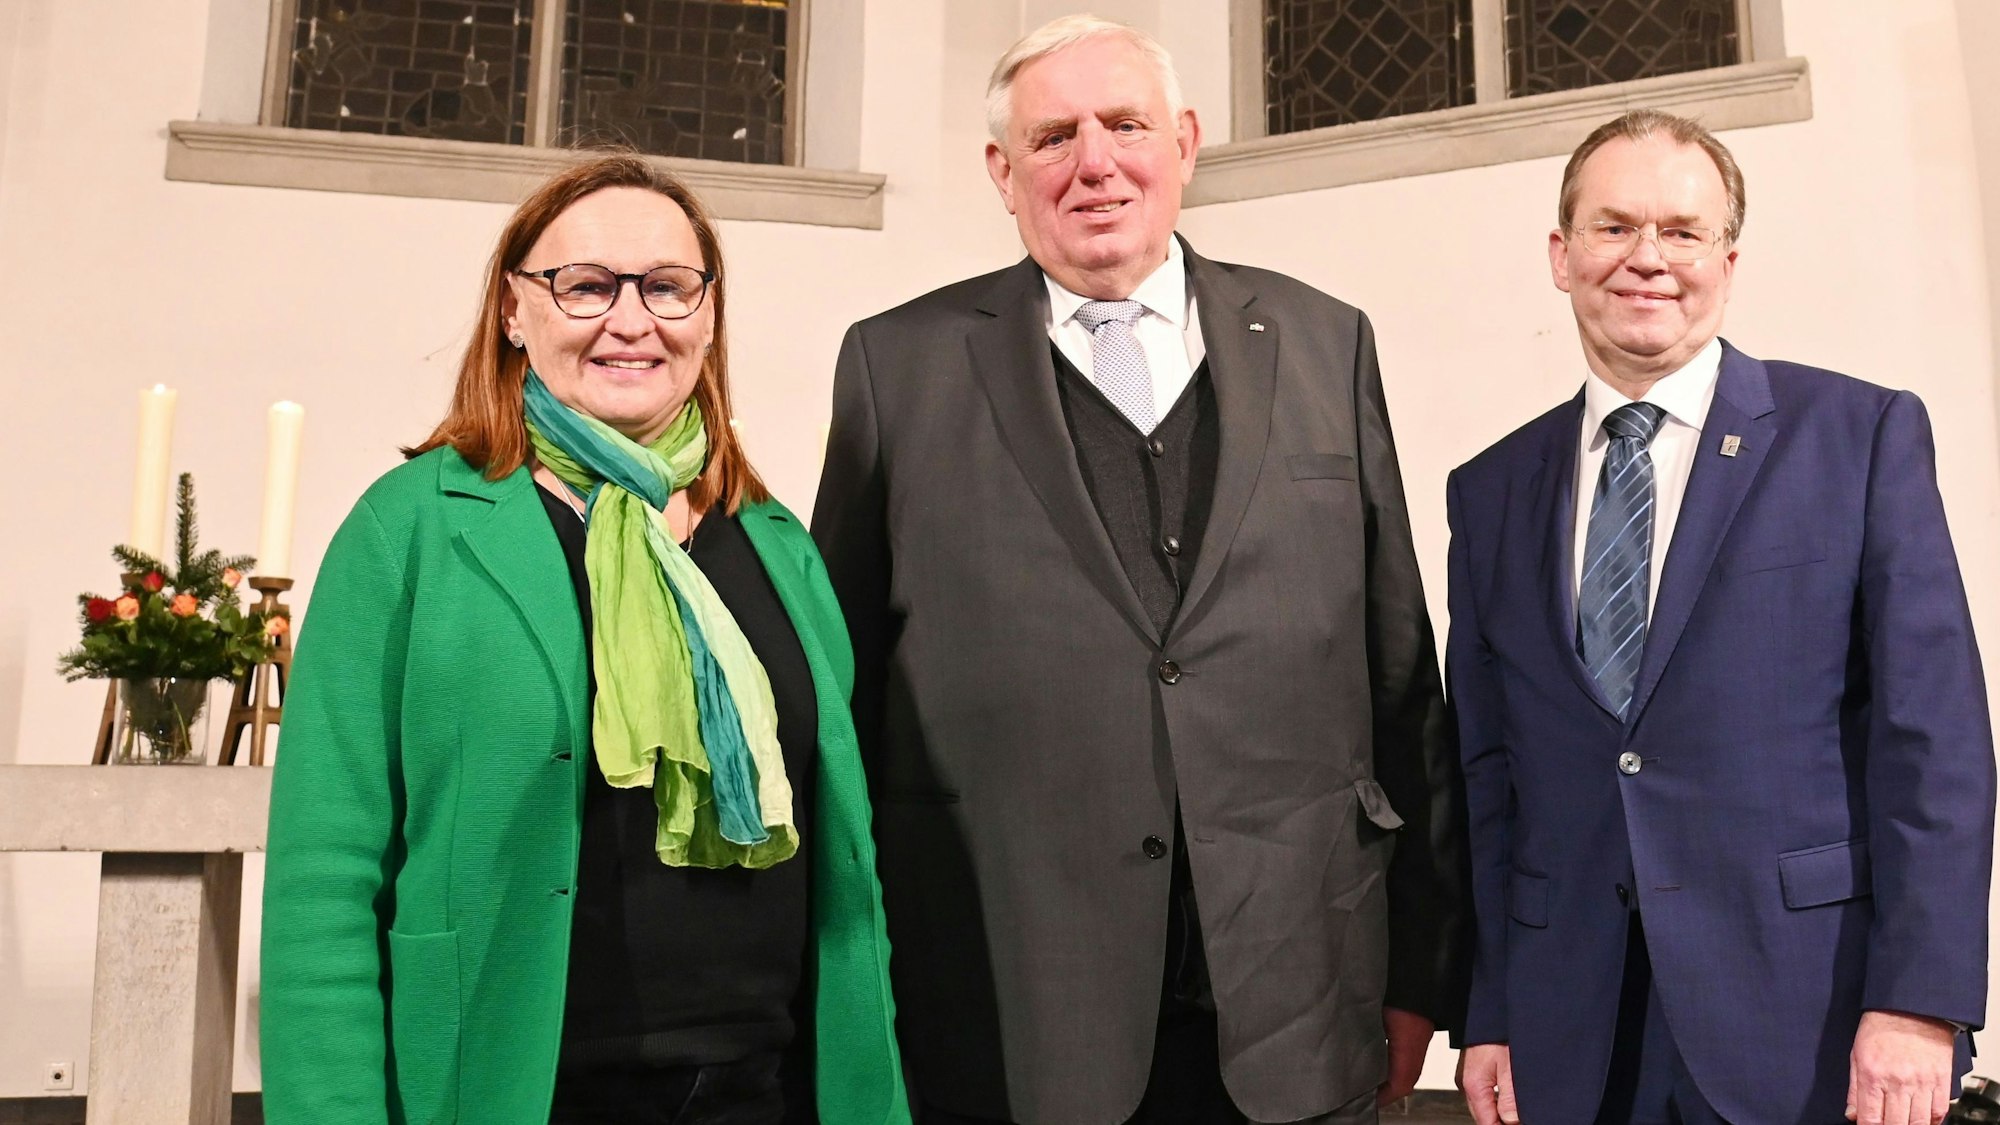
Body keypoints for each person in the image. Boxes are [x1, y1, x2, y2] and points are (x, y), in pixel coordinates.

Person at [811, 16, 1466, 1125]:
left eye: (1124, 125)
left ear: (1187, 142)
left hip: (1296, 1007)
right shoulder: (896, 367)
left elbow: (1399, 682)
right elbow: (842, 704)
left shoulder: (1322, 341)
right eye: (1053, 135)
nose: (1094, 162)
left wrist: (1419, 975)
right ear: (1000, 173)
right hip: (1007, 1011)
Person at [259, 153, 908, 1125]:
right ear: (515, 310)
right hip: (515, 1088)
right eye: (586, 286)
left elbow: (844, 863)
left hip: (762, 1089)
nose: (631, 318)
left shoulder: (774, 543)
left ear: (708, 311)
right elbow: (321, 882)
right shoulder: (415, 530)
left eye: (667, 286)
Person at [1447, 109, 1995, 1125]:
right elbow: (1488, 777)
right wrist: (1487, 1009)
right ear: (1560, 257)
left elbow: (1932, 742)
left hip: (1805, 1018)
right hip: (1572, 1031)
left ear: (1727, 260)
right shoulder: (1487, 493)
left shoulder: (1855, 437)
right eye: (1611, 228)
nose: (1645, 259)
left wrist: (1916, 1001)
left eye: (1680, 231)